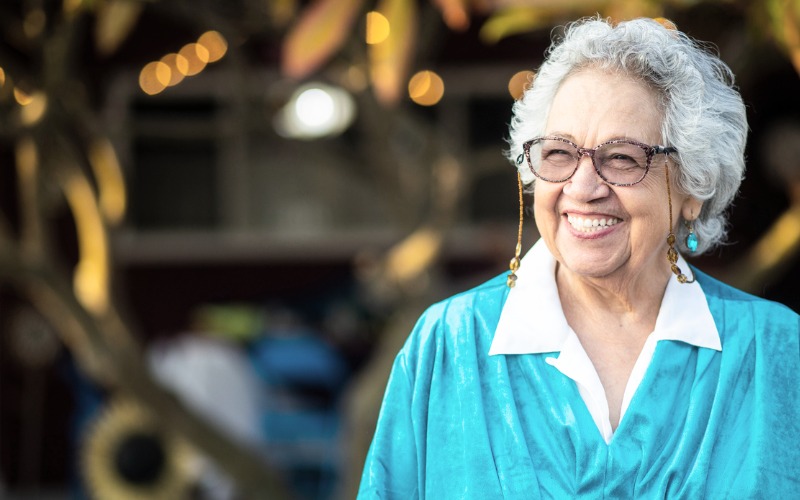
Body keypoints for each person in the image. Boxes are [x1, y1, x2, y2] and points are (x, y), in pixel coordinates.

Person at [358, 17, 800, 498]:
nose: (583, 188)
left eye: (623, 158)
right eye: (559, 153)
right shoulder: (448, 345)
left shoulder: (777, 351)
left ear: (693, 186)